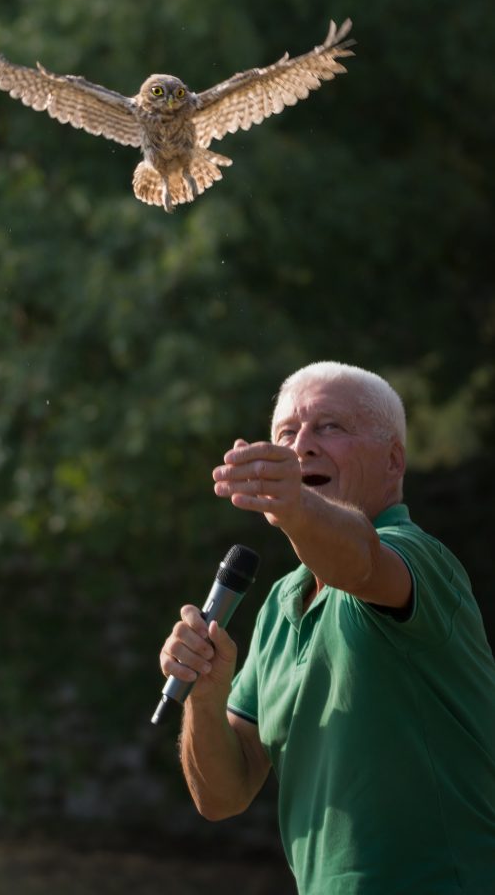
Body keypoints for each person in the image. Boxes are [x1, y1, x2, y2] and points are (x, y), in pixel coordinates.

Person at [159, 361, 495, 894]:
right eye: (287, 434)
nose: (303, 446)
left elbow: (360, 561)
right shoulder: (279, 603)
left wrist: (295, 505)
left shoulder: (419, 558)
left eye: (330, 426)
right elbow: (222, 797)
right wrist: (206, 691)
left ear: (393, 460)